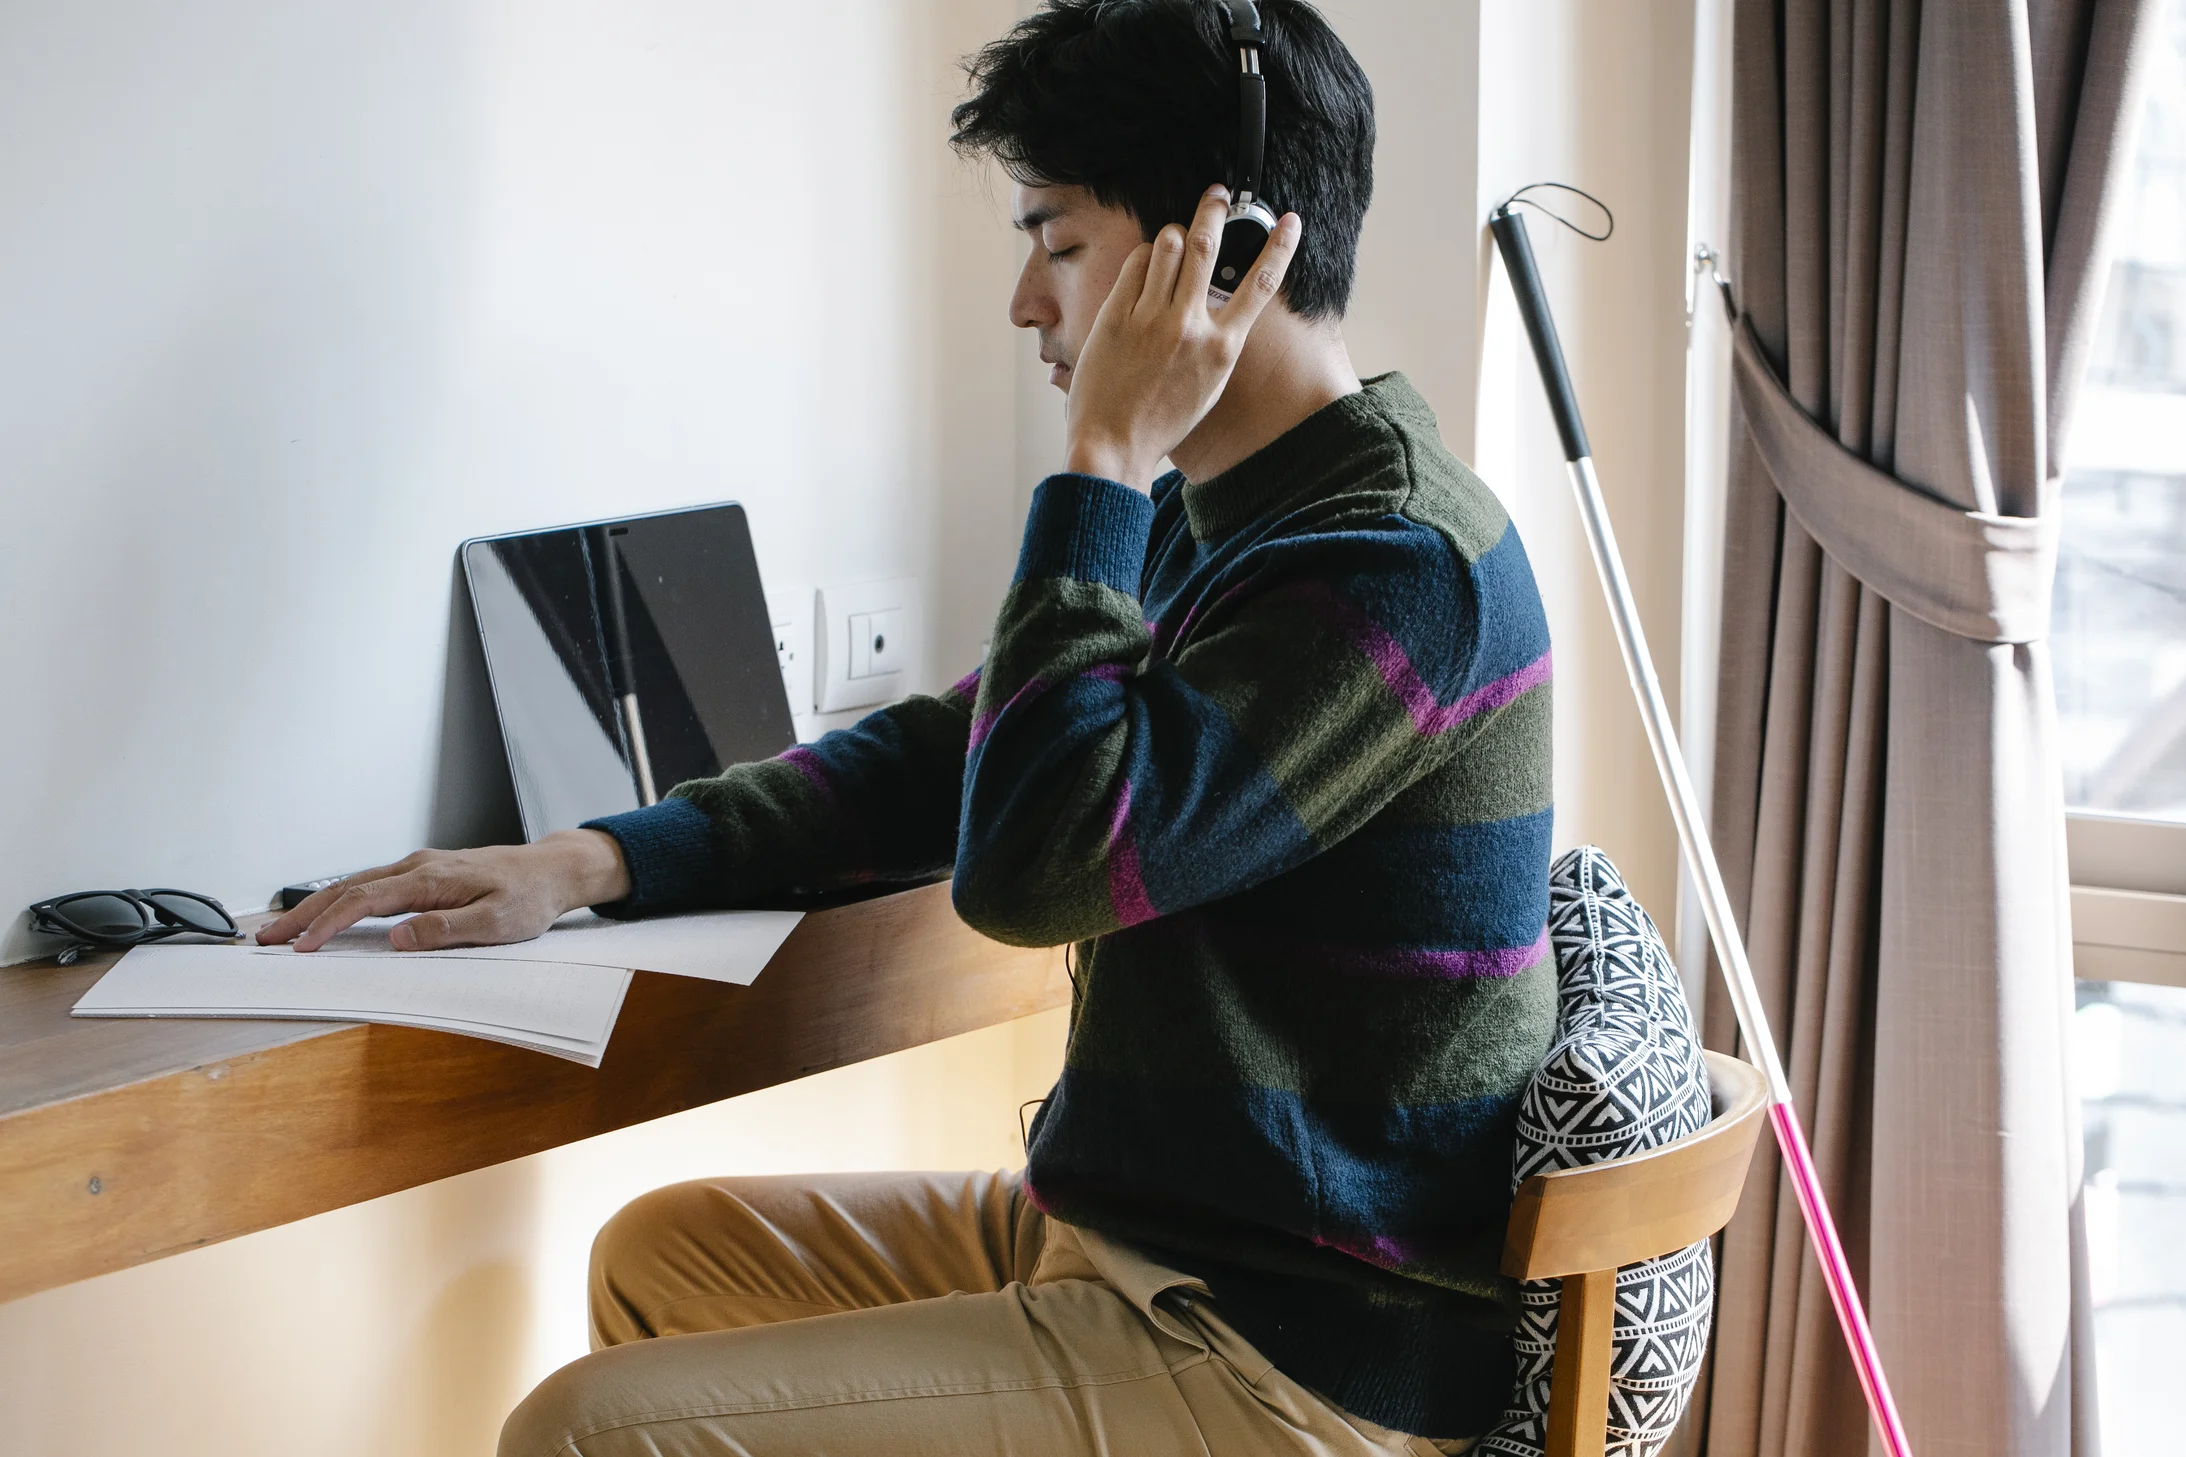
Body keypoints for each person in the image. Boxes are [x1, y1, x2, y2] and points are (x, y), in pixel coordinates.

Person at [259, 2, 1555, 1452]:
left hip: (1288, 1347)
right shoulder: (1237, 512)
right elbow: (956, 751)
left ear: (1234, 253)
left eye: (1056, 243)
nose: (1023, 302)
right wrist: (588, 861)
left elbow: (1035, 868)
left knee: (585, 1428)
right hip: (1147, 1242)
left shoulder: (1390, 562)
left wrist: (1103, 467)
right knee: (664, 1253)